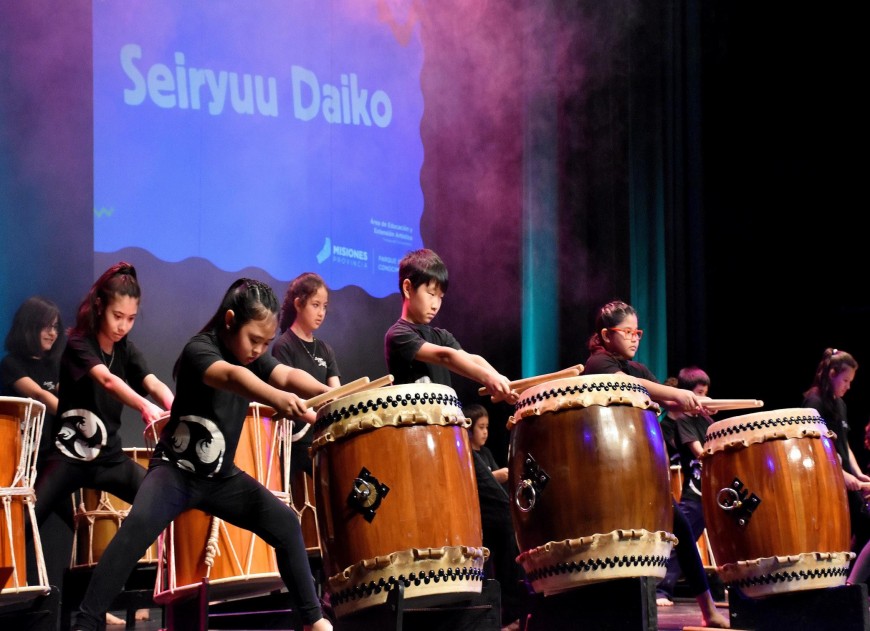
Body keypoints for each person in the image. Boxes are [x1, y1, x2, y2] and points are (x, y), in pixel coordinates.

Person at [70, 277, 334, 631]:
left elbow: (284, 374)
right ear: (229, 321)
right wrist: (276, 398)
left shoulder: (252, 355)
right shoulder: (200, 349)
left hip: (221, 478)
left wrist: (329, 392)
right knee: (135, 531)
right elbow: (231, 377)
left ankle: (314, 621)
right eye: (254, 339)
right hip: (176, 472)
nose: (259, 350)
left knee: (286, 523)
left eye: (266, 343)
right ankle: (86, 623)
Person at [27, 263, 174, 627]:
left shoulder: (126, 348)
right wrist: (142, 405)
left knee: (160, 499)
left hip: (108, 459)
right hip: (67, 457)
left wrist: (173, 408)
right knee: (26, 518)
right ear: (99, 308)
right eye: (117, 315)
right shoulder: (79, 342)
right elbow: (107, 381)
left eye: (131, 318)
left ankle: (105, 594)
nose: (123, 325)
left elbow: (153, 381)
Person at [384, 248, 522, 629]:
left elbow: (471, 356)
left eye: (442, 296)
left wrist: (500, 380)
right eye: (431, 293)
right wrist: (488, 380)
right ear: (408, 288)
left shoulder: (439, 331)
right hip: (420, 450)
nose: (436, 303)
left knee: (499, 513)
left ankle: (508, 606)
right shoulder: (400, 335)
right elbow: (445, 357)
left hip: (455, 446)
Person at [583, 299, 729, 628]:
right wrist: (676, 396)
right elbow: (631, 386)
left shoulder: (635, 368)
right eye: (627, 332)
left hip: (640, 467)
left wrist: (695, 404)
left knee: (679, 526)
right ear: (606, 335)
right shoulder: (599, 364)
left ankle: (709, 610)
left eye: (638, 332)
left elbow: (660, 392)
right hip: (608, 468)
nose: (635, 338)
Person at [1, 296, 72, 600]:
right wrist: (74, 414)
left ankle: (64, 603)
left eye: (56, 327)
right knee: (27, 533)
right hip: (22, 466)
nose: (52, 333)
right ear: (29, 327)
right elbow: (39, 397)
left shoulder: (57, 365)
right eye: (46, 326)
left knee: (63, 533)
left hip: (55, 460)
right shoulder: (10, 365)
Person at [801, 349, 870, 566]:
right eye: (846, 380)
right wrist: (841, 474)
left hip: (843, 478)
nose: (848, 386)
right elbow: (814, 447)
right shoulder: (814, 403)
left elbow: (844, 444)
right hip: (826, 479)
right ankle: (851, 584)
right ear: (832, 374)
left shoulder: (840, 404)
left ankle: (855, 584)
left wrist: (858, 474)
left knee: (863, 526)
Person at [655, 366, 714, 607]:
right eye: (699, 393)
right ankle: (660, 589)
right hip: (695, 490)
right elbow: (700, 452)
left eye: (706, 392)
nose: (704, 398)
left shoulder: (705, 420)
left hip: (710, 489)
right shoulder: (684, 423)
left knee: (688, 541)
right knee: (682, 542)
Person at [272, 272, 341, 476]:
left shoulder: (325, 350)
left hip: (321, 439)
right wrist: (319, 420)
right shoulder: (284, 345)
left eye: (325, 306)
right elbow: (285, 398)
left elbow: (335, 394)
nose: (321, 312)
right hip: (293, 442)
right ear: (298, 304)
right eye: (315, 304)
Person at [465, 402, 508, 486]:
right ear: (469, 430)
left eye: (486, 427)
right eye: (481, 427)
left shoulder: (486, 452)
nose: (485, 432)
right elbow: (470, 483)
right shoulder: (467, 455)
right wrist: (495, 477)